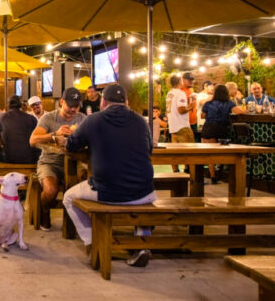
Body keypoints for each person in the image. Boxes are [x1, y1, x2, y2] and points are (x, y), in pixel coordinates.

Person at [61, 84, 157, 267]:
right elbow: (149, 149)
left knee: (68, 197)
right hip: (146, 192)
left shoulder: (93, 120)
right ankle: (142, 242)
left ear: (103, 102)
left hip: (108, 192)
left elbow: (71, 145)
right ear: (127, 103)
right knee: (142, 201)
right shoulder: (141, 121)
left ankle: (92, 242)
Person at [29, 87, 86, 231]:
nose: (73, 109)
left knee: (87, 187)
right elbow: (33, 140)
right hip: (50, 162)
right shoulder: (49, 118)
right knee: (50, 190)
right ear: (61, 102)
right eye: (70, 105)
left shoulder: (83, 120)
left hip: (75, 163)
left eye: (76, 106)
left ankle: (77, 223)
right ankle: (45, 212)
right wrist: (55, 134)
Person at [201, 84, 246, 183]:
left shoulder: (208, 103)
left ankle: (213, 176)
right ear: (226, 93)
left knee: (210, 154)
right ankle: (222, 173)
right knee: (222, 152)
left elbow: (202, 116)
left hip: (209, 128)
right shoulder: (229, 103)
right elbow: (239, 112)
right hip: (222, 128)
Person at [0, 95, 40, 164]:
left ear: (8, 105)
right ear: (20, 105)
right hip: (29, 158)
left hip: (9, 158)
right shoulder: (31, 118)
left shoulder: (1, 117)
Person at [166, 74, 195, 172]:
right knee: (191, 152)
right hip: (182, 126)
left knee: (175, 153)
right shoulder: (180, 93)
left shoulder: (169, 93)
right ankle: (191, 175)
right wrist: (190, 107)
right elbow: (181, 110)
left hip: (173, 127)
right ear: (179, 82)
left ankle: (176, 173)